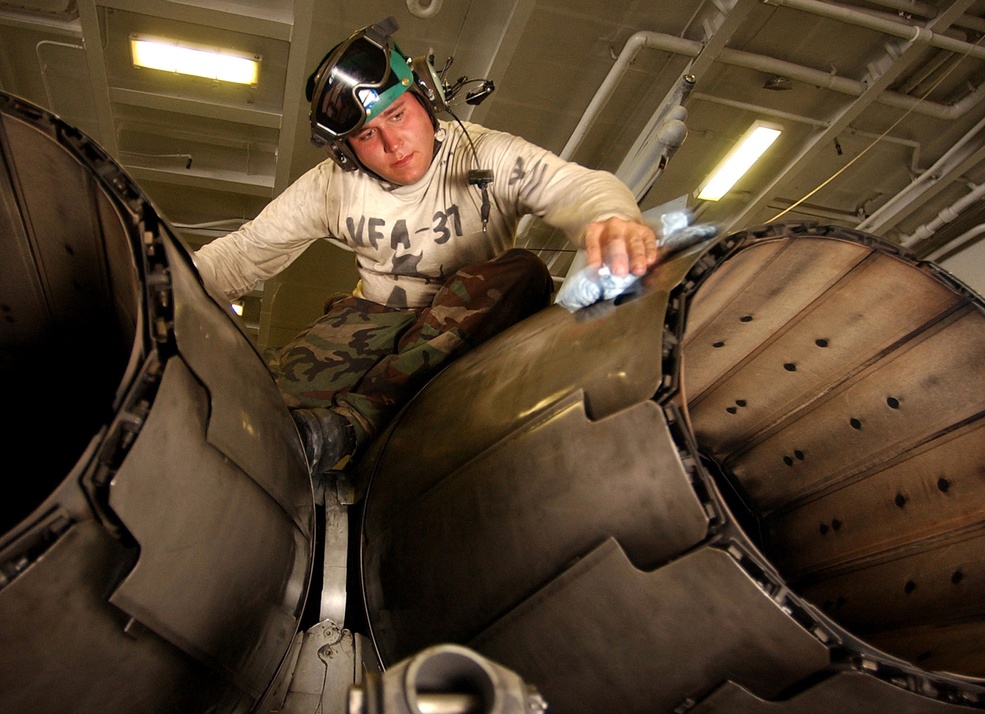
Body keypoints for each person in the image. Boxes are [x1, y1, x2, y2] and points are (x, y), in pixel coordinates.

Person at [194, 17, 658, 475]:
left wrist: (611, 221)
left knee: (524, 271)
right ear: (346, 150)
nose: (394, 144)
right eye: (367, 134)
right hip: (372, 319)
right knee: (256, 408)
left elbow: (574, 187)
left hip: (473, 312)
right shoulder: (331, 187)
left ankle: (356, 422)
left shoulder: (484, 154)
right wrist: (168, 281)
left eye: (397, 115)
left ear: (425, 99)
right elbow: (244, 253)